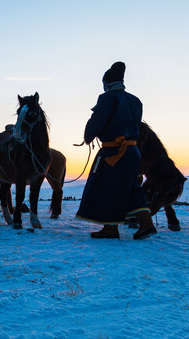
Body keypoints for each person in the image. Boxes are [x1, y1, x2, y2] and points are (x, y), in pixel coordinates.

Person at [76, 61, 157, 240]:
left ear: (107, 84)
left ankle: (111, 229)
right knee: (132, 186)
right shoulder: (136, 101)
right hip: (133, 152)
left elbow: (98, 120)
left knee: (105, 186)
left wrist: (88, 135)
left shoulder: (107, 98)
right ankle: (146, 224)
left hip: (113, 152)